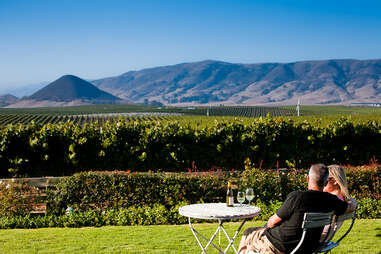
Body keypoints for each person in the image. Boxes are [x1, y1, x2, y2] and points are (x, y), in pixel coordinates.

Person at [238, 164, 357, 254]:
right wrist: (353, 203)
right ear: (325, 182)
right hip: (305, 246)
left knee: (248, 232)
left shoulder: (297, 197)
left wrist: (265, 229)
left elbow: (272, 222)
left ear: (307, 179)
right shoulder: (332, 200)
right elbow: (349, 207)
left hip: (279, 246)